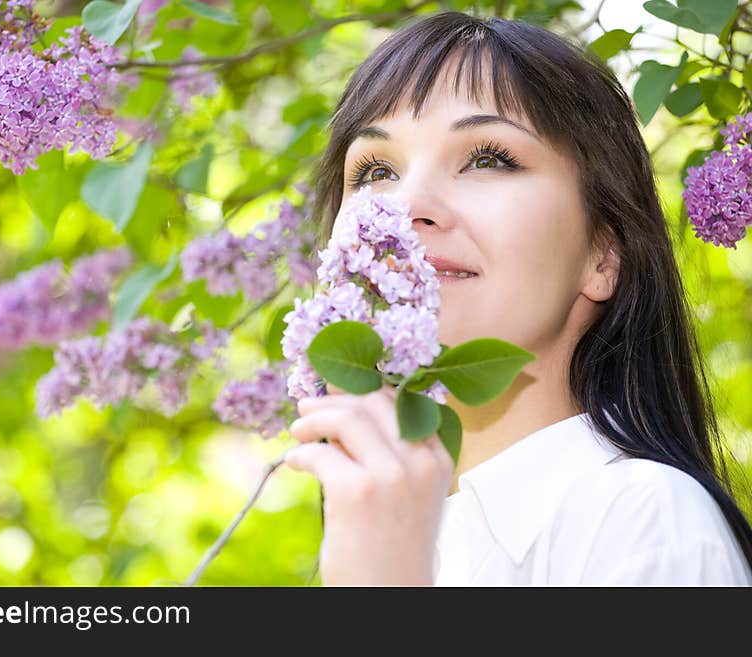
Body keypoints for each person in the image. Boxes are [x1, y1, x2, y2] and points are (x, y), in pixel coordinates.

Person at [283, 10, 752, 586]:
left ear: (602, 257)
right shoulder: (403, 540)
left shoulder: (645, 518)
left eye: (488, 159)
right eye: (376, 170)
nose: (406, 207)